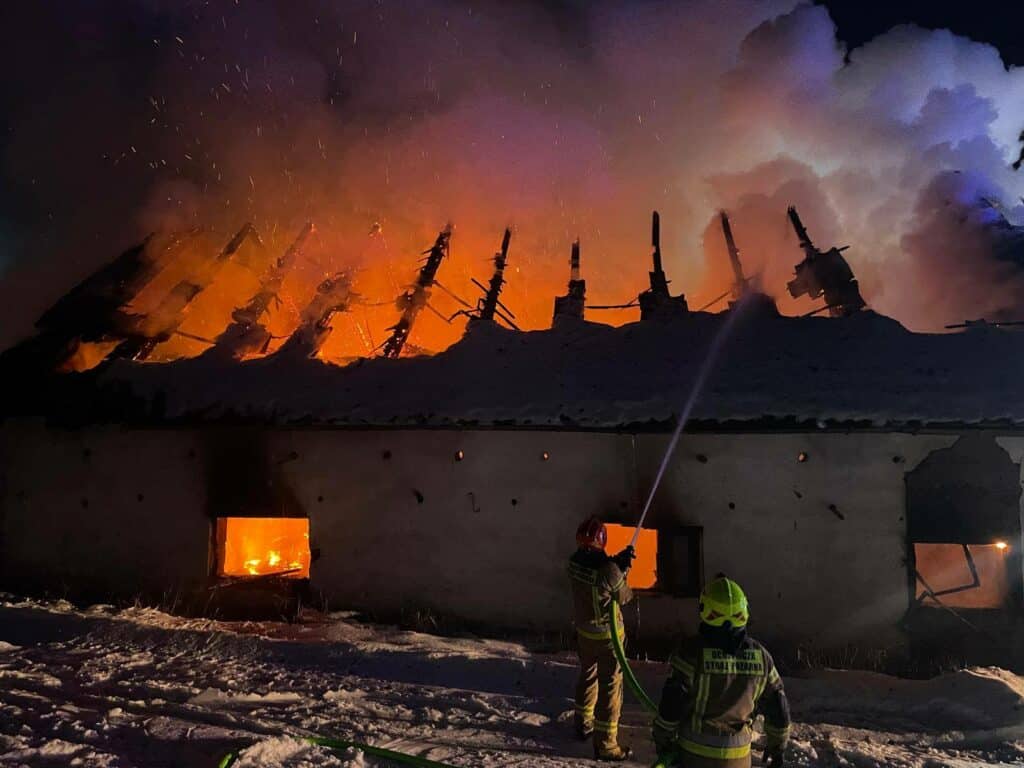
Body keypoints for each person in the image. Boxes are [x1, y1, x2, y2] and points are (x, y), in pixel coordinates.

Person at [652, 576, 791, 768]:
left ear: (705, 611)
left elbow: (672, 704)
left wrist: (663, 741)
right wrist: (777, 747)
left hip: (695, 756)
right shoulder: (762, 657)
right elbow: (778, 706)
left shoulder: (691, 654)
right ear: (744, 612)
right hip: (739, 760)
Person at [568, 516, 636, 761]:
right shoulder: (609, 571)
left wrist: (616, 562)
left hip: (584, 634)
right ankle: (606, 744)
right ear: (602, 539)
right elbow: (625, 596)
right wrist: (622, 570)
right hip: (609, 639)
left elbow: (598, 571)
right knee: (610, 687)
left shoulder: (574, 562)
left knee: (588, 675)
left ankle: (582, 722)